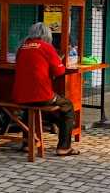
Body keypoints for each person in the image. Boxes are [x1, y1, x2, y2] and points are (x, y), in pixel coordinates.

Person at [13, 22, 79, 156]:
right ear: (47, 35)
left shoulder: (22, 47)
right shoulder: (46, 47)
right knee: (67, 106)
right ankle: (64, 147)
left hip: (20, 95)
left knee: (28, 109)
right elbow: (60, 71)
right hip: (41, 95)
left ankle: (27, 143)